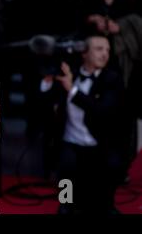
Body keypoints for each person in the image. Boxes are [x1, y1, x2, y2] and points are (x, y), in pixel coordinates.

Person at [40, 33, 127, 214]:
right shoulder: (69, 73)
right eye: (99, 49)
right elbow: (47, 103)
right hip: (70, 145)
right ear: (84, 53)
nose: (105, 54)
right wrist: (47, 81)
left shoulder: (112, 79)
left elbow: (102, 110)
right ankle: (65, 205)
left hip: (99, 147)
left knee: (101, 203)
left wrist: (72, 90)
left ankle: (105, 206)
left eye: (107, 50)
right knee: (66, 182)